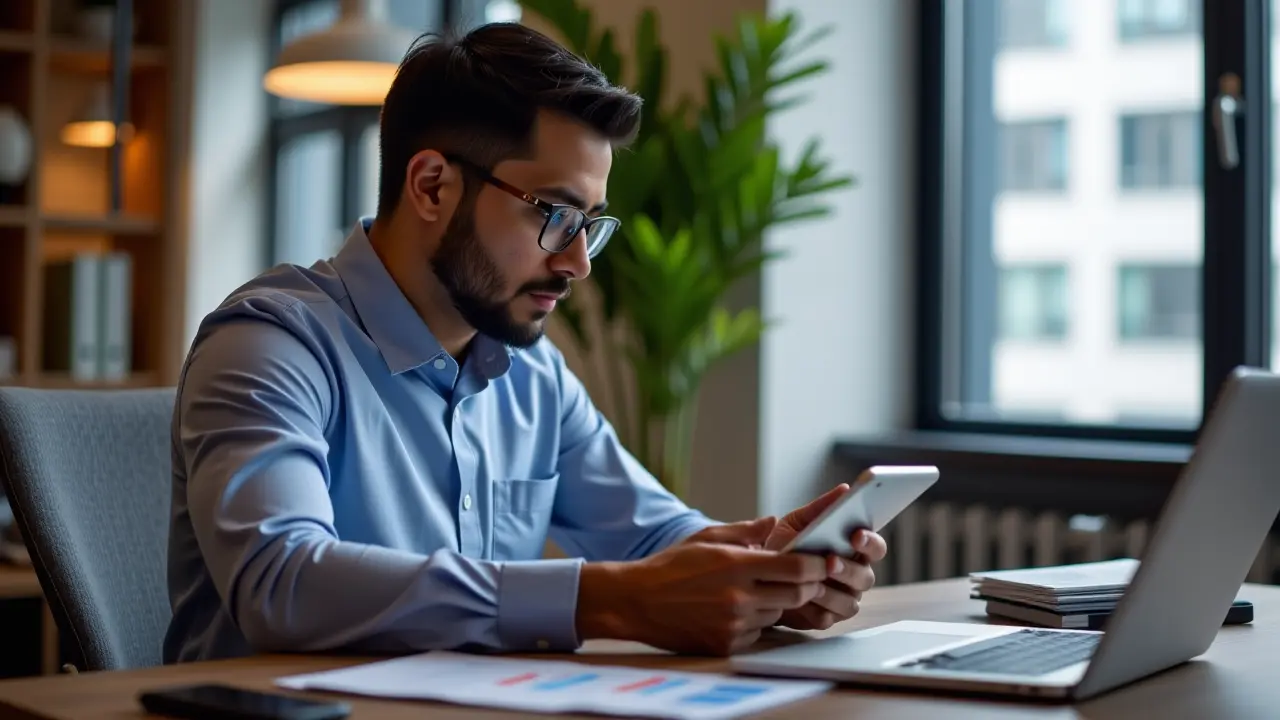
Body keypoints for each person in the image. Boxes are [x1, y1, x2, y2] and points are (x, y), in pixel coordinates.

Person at [163, 21, 888, 664]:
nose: (577, 263)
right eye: (556, 215)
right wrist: (605, 602)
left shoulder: (532, 375)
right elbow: (282, 581)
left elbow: (651, 541)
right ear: (432, 186)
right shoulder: (270, 344)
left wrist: (765, 569)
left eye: (591, 224)